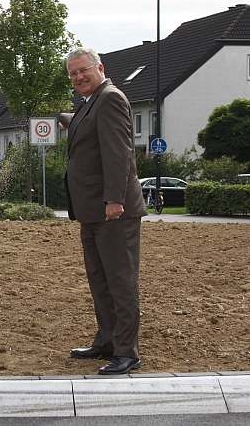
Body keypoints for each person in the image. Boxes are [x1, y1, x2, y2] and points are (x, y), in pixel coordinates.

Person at [62, 47, 146, 375]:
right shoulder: (89, 102)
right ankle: (107, 341)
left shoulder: (110, 98)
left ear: (100, 67)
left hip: (113, 211)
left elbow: (118, 155)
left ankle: (128, 352)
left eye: (84, 70)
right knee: (100, 280)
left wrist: (114, 200)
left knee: (120, 281)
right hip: (91, 211)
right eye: (73, 73)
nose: (79, 77)